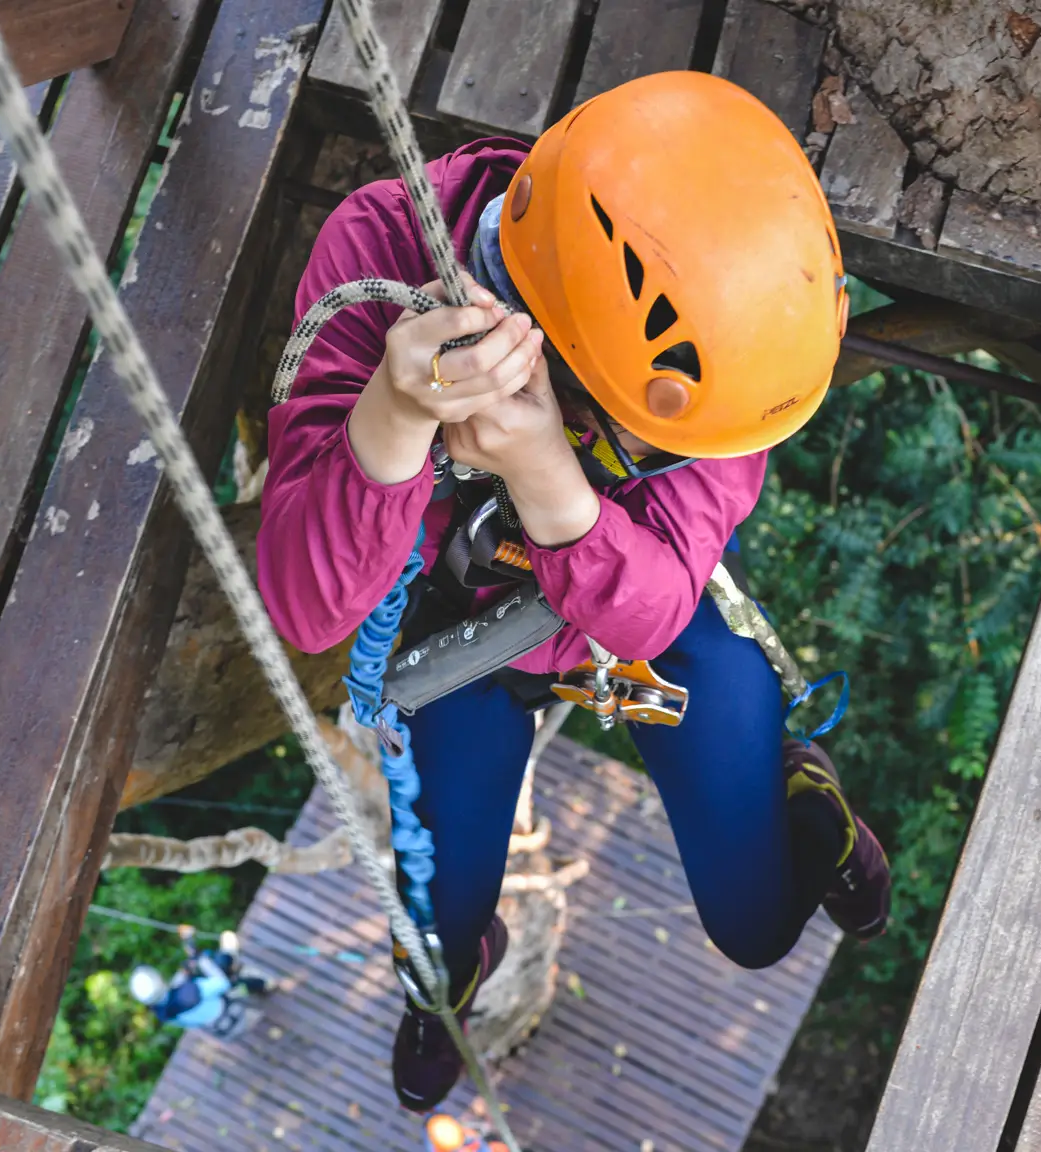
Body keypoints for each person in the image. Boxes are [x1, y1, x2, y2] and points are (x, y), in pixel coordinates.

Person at [259, 71, 893, 1113]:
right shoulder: (386, 252)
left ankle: (802, 808)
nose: (669, 460)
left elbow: (651, 612)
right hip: (464, 636)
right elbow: (306, 606)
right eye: (647, 444)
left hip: (643, 605)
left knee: (755, 928)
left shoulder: (737, 347)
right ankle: (450, 983)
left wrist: (549, 474)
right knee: (437, 924)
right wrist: (395, 413)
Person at [127, 926, 270, 1040]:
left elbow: (173, 993)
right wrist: (198, 957)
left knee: (209, 976)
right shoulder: (191, 992)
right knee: (224, 964)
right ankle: (265, 984)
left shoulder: (162, 1012)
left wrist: (185, 971)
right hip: (237, 1015)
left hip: (221, 1030)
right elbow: (222, 982)